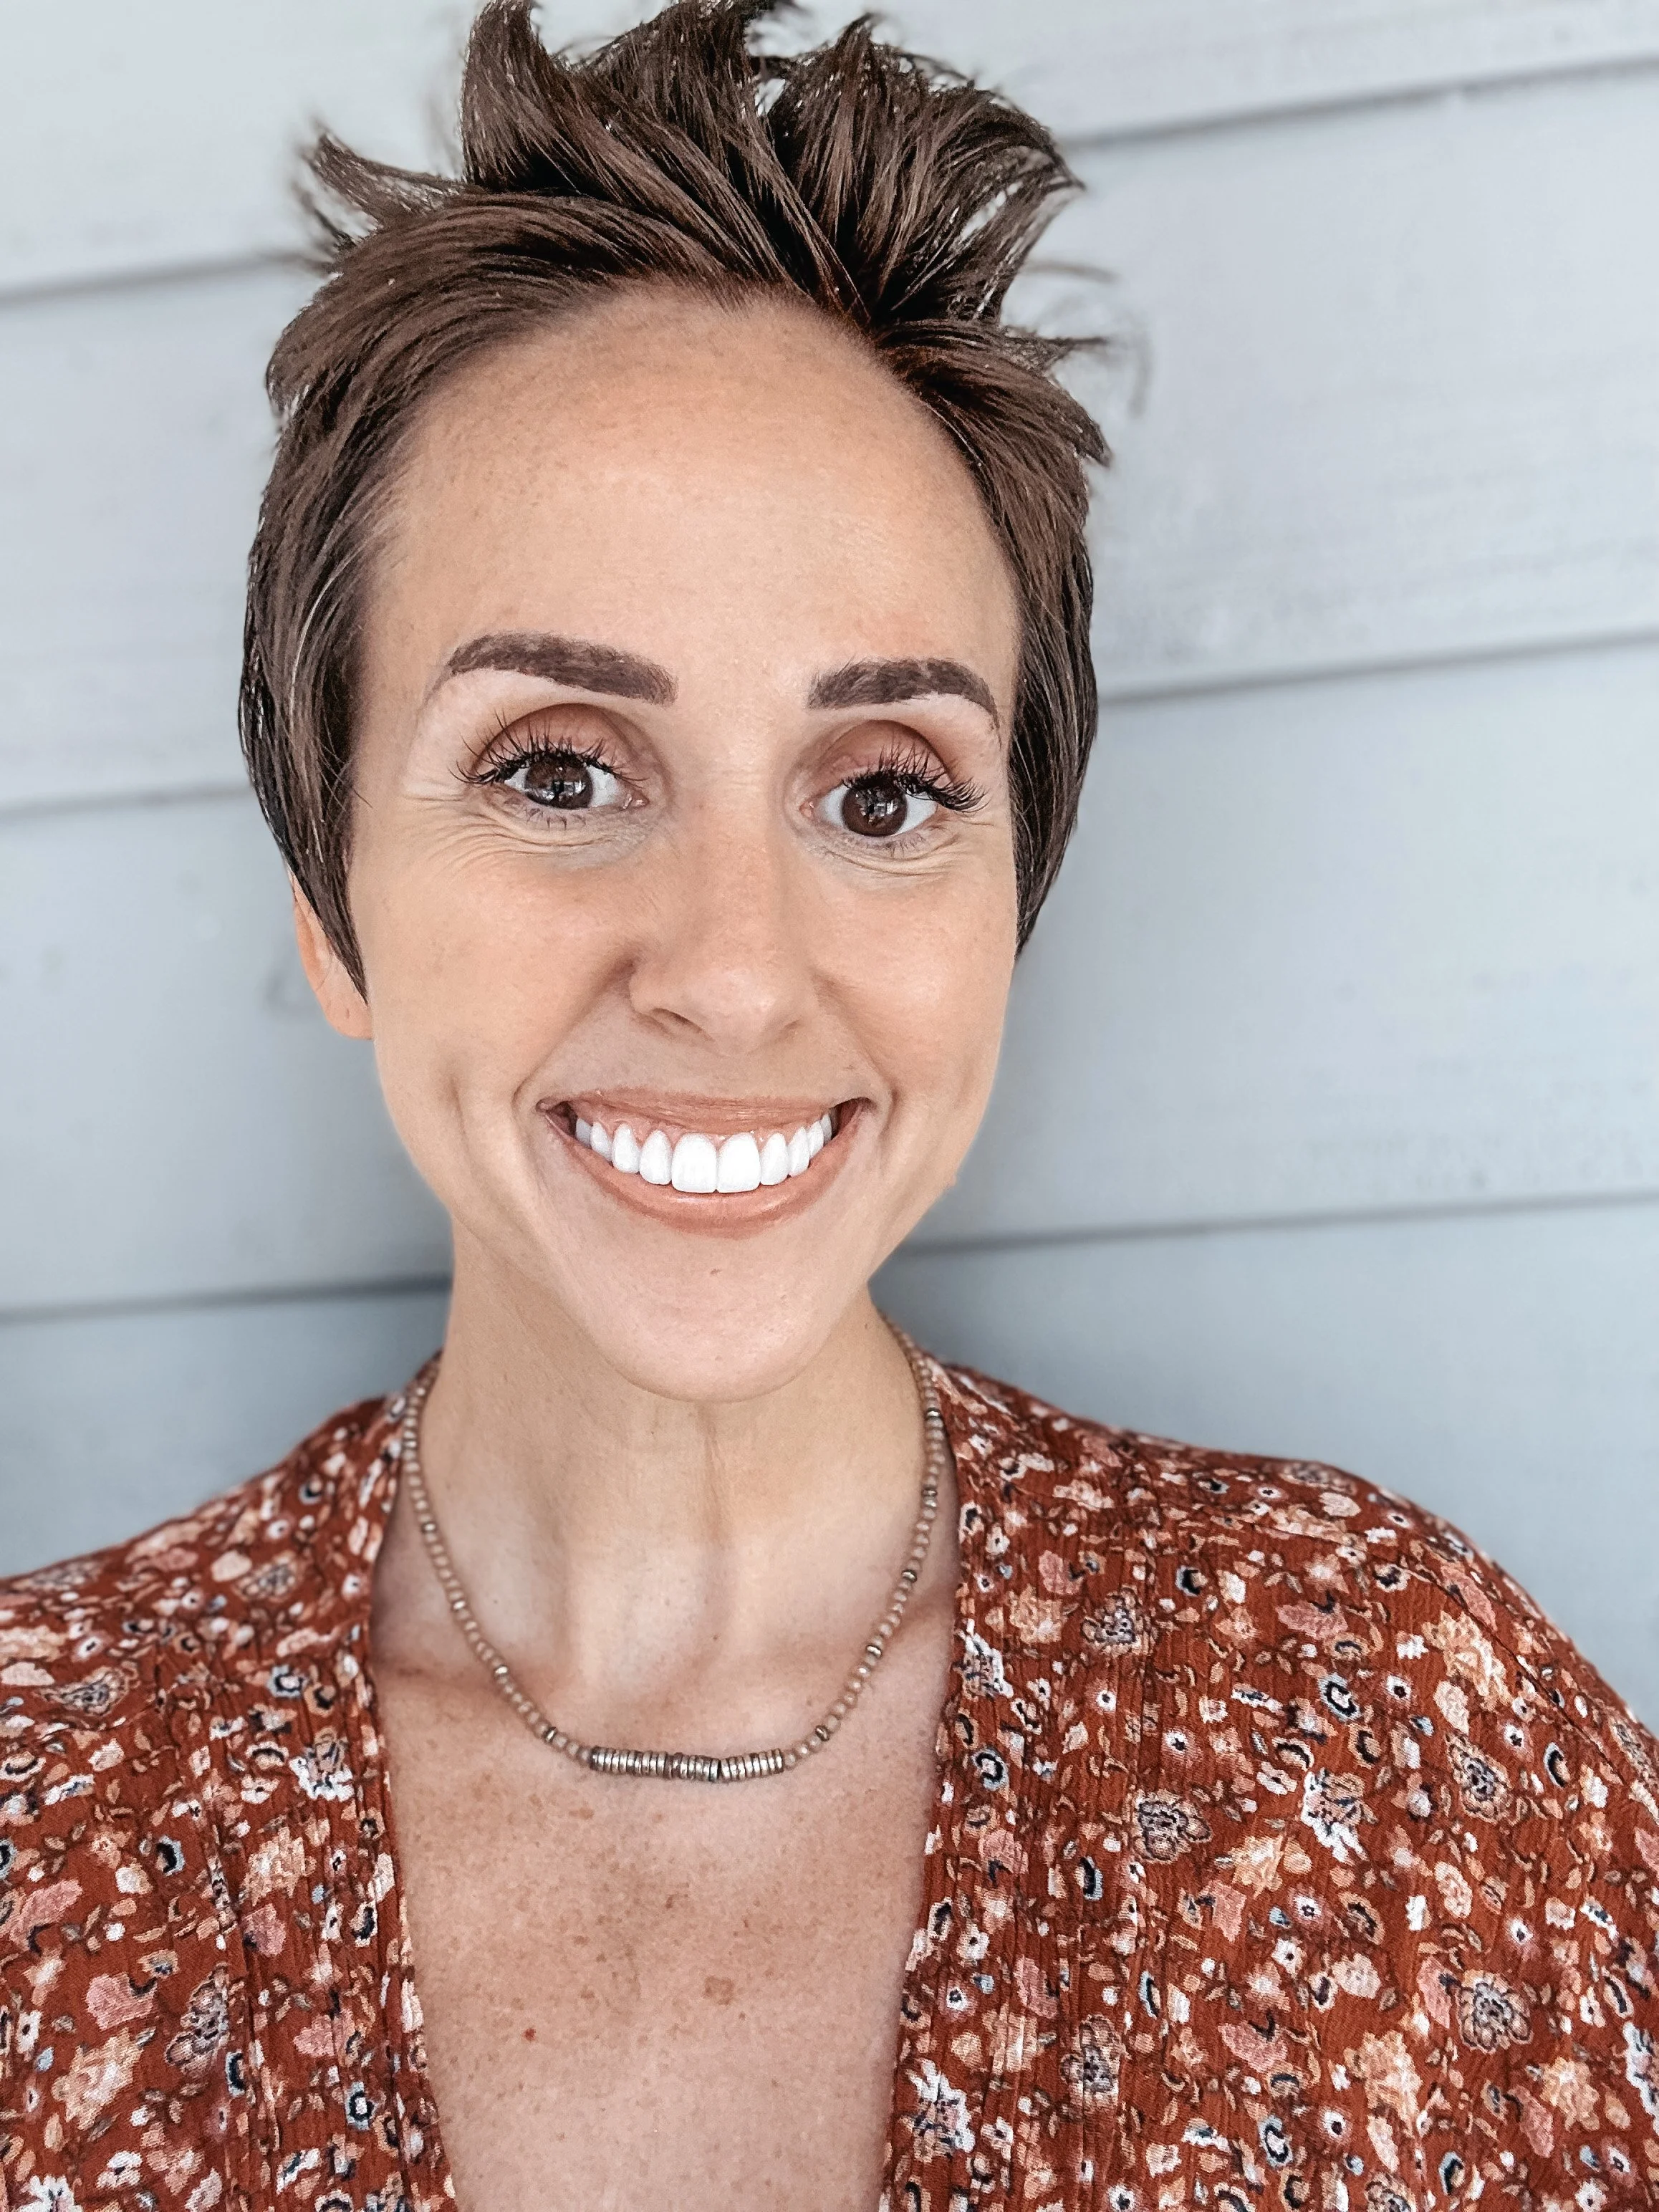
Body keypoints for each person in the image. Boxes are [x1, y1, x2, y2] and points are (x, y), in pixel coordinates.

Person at [4, 2, 1658, 2205]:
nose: (729, 969)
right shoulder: (42, 1807)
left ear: (1011, 902)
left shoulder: (1404, 1733)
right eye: (558, 769)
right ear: (329, 901)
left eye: (882, 793)